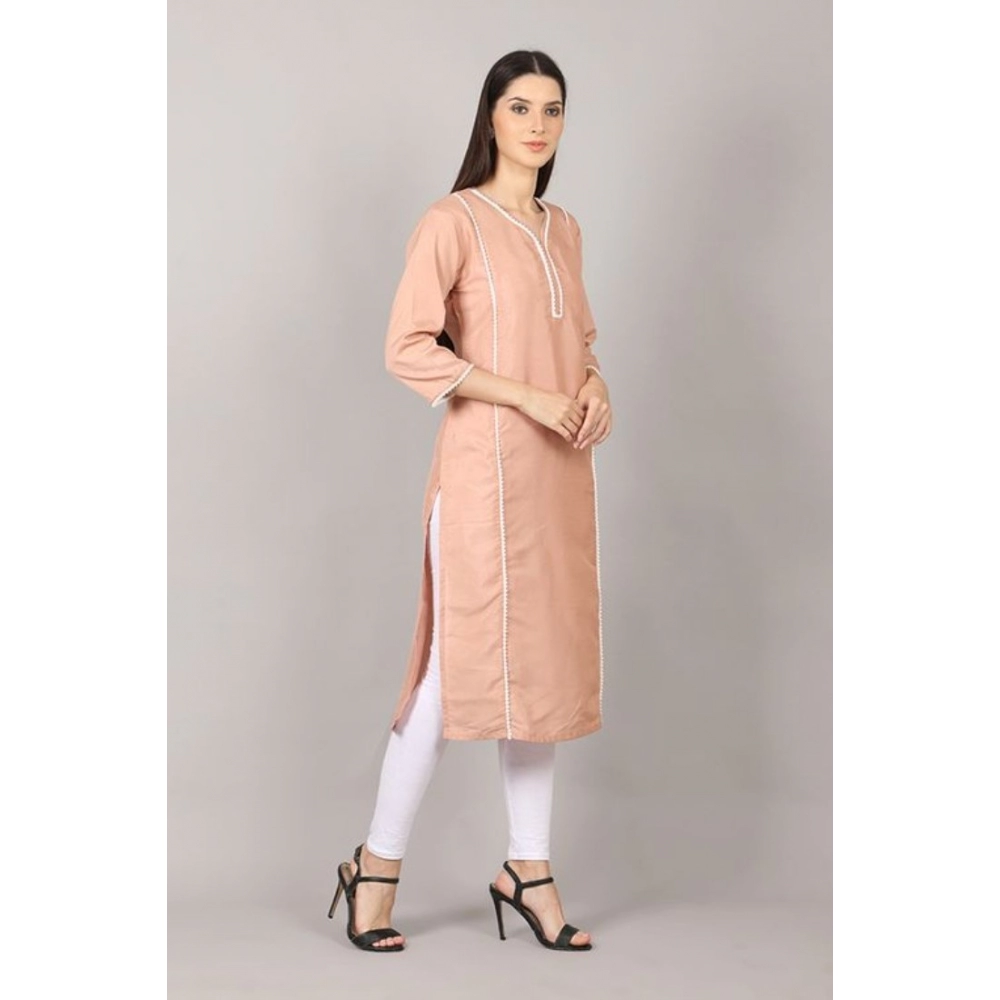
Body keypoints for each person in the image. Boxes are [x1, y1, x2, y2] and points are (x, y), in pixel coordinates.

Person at [328, 49, 612, 953]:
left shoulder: (564, 229)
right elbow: (408, 347)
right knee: (456, 674)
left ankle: (529, 868)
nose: (537, 125)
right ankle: (376, 864)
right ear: (490, 115)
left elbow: (582, 344)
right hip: (484, 475)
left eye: (552, 109)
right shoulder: (452, 221)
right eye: (520, 107)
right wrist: (527, 395)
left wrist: (595, 388)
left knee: (543, 669)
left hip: (558, 476)